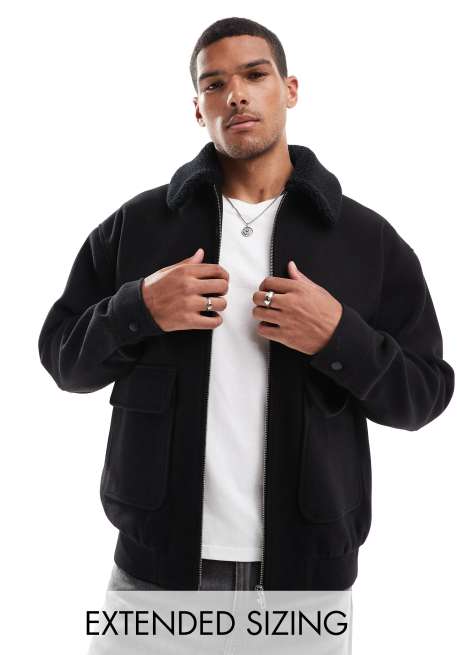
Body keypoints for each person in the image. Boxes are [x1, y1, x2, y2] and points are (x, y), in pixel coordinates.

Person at [38, 17, 454, 604]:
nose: (235, 94)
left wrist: (338, 336)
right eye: (214, 84)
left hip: (305, 584)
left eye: (255, 75)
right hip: (153, 574)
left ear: (290, 89)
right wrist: (140, 307)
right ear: (198, 108)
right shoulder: (138, 226)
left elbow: (424, 396)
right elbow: (63, 360)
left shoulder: (366, 240)